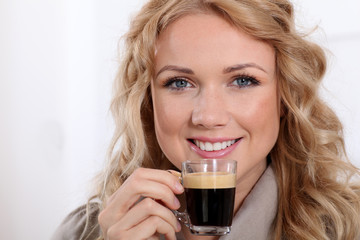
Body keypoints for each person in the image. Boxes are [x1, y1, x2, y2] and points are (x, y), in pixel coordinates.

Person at [52, 0, 360, 239]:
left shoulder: (349, 226)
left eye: (242, 81)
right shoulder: (86, 232)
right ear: (148, 101)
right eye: (179, 83)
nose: (209, 117)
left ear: (285, 97)